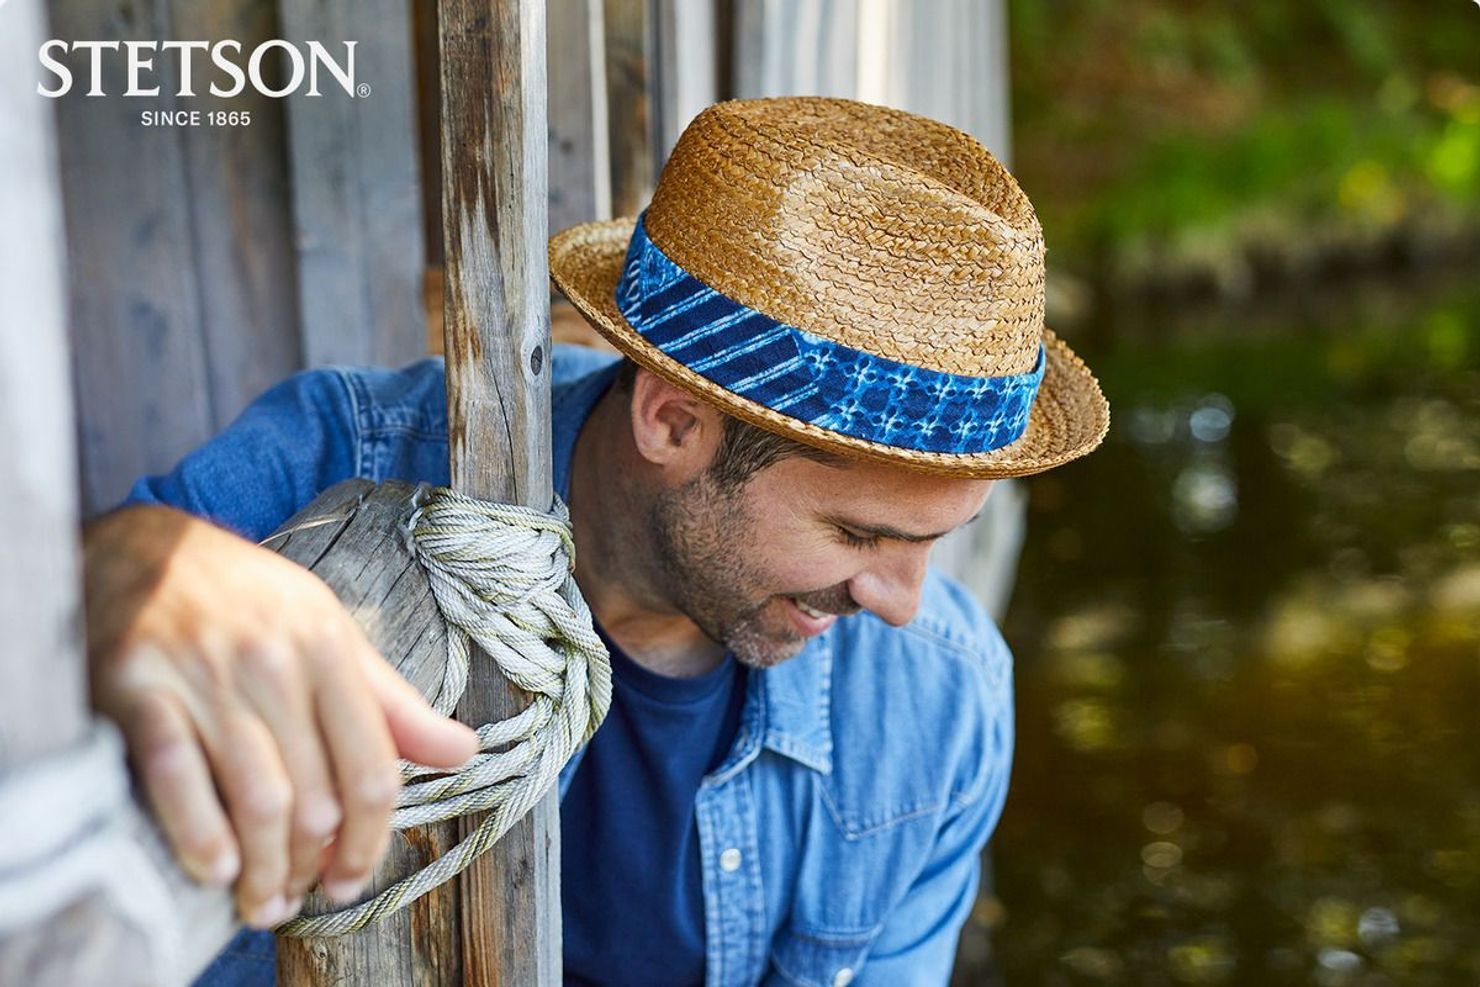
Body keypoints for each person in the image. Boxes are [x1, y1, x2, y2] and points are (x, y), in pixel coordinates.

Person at [82, 97, 1108, 985]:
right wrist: (122, 567)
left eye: (941, 538)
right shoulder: (330, 457)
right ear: (670, 421)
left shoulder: (943, 698)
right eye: (857, 532)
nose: (902, 601)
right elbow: (58, 617)